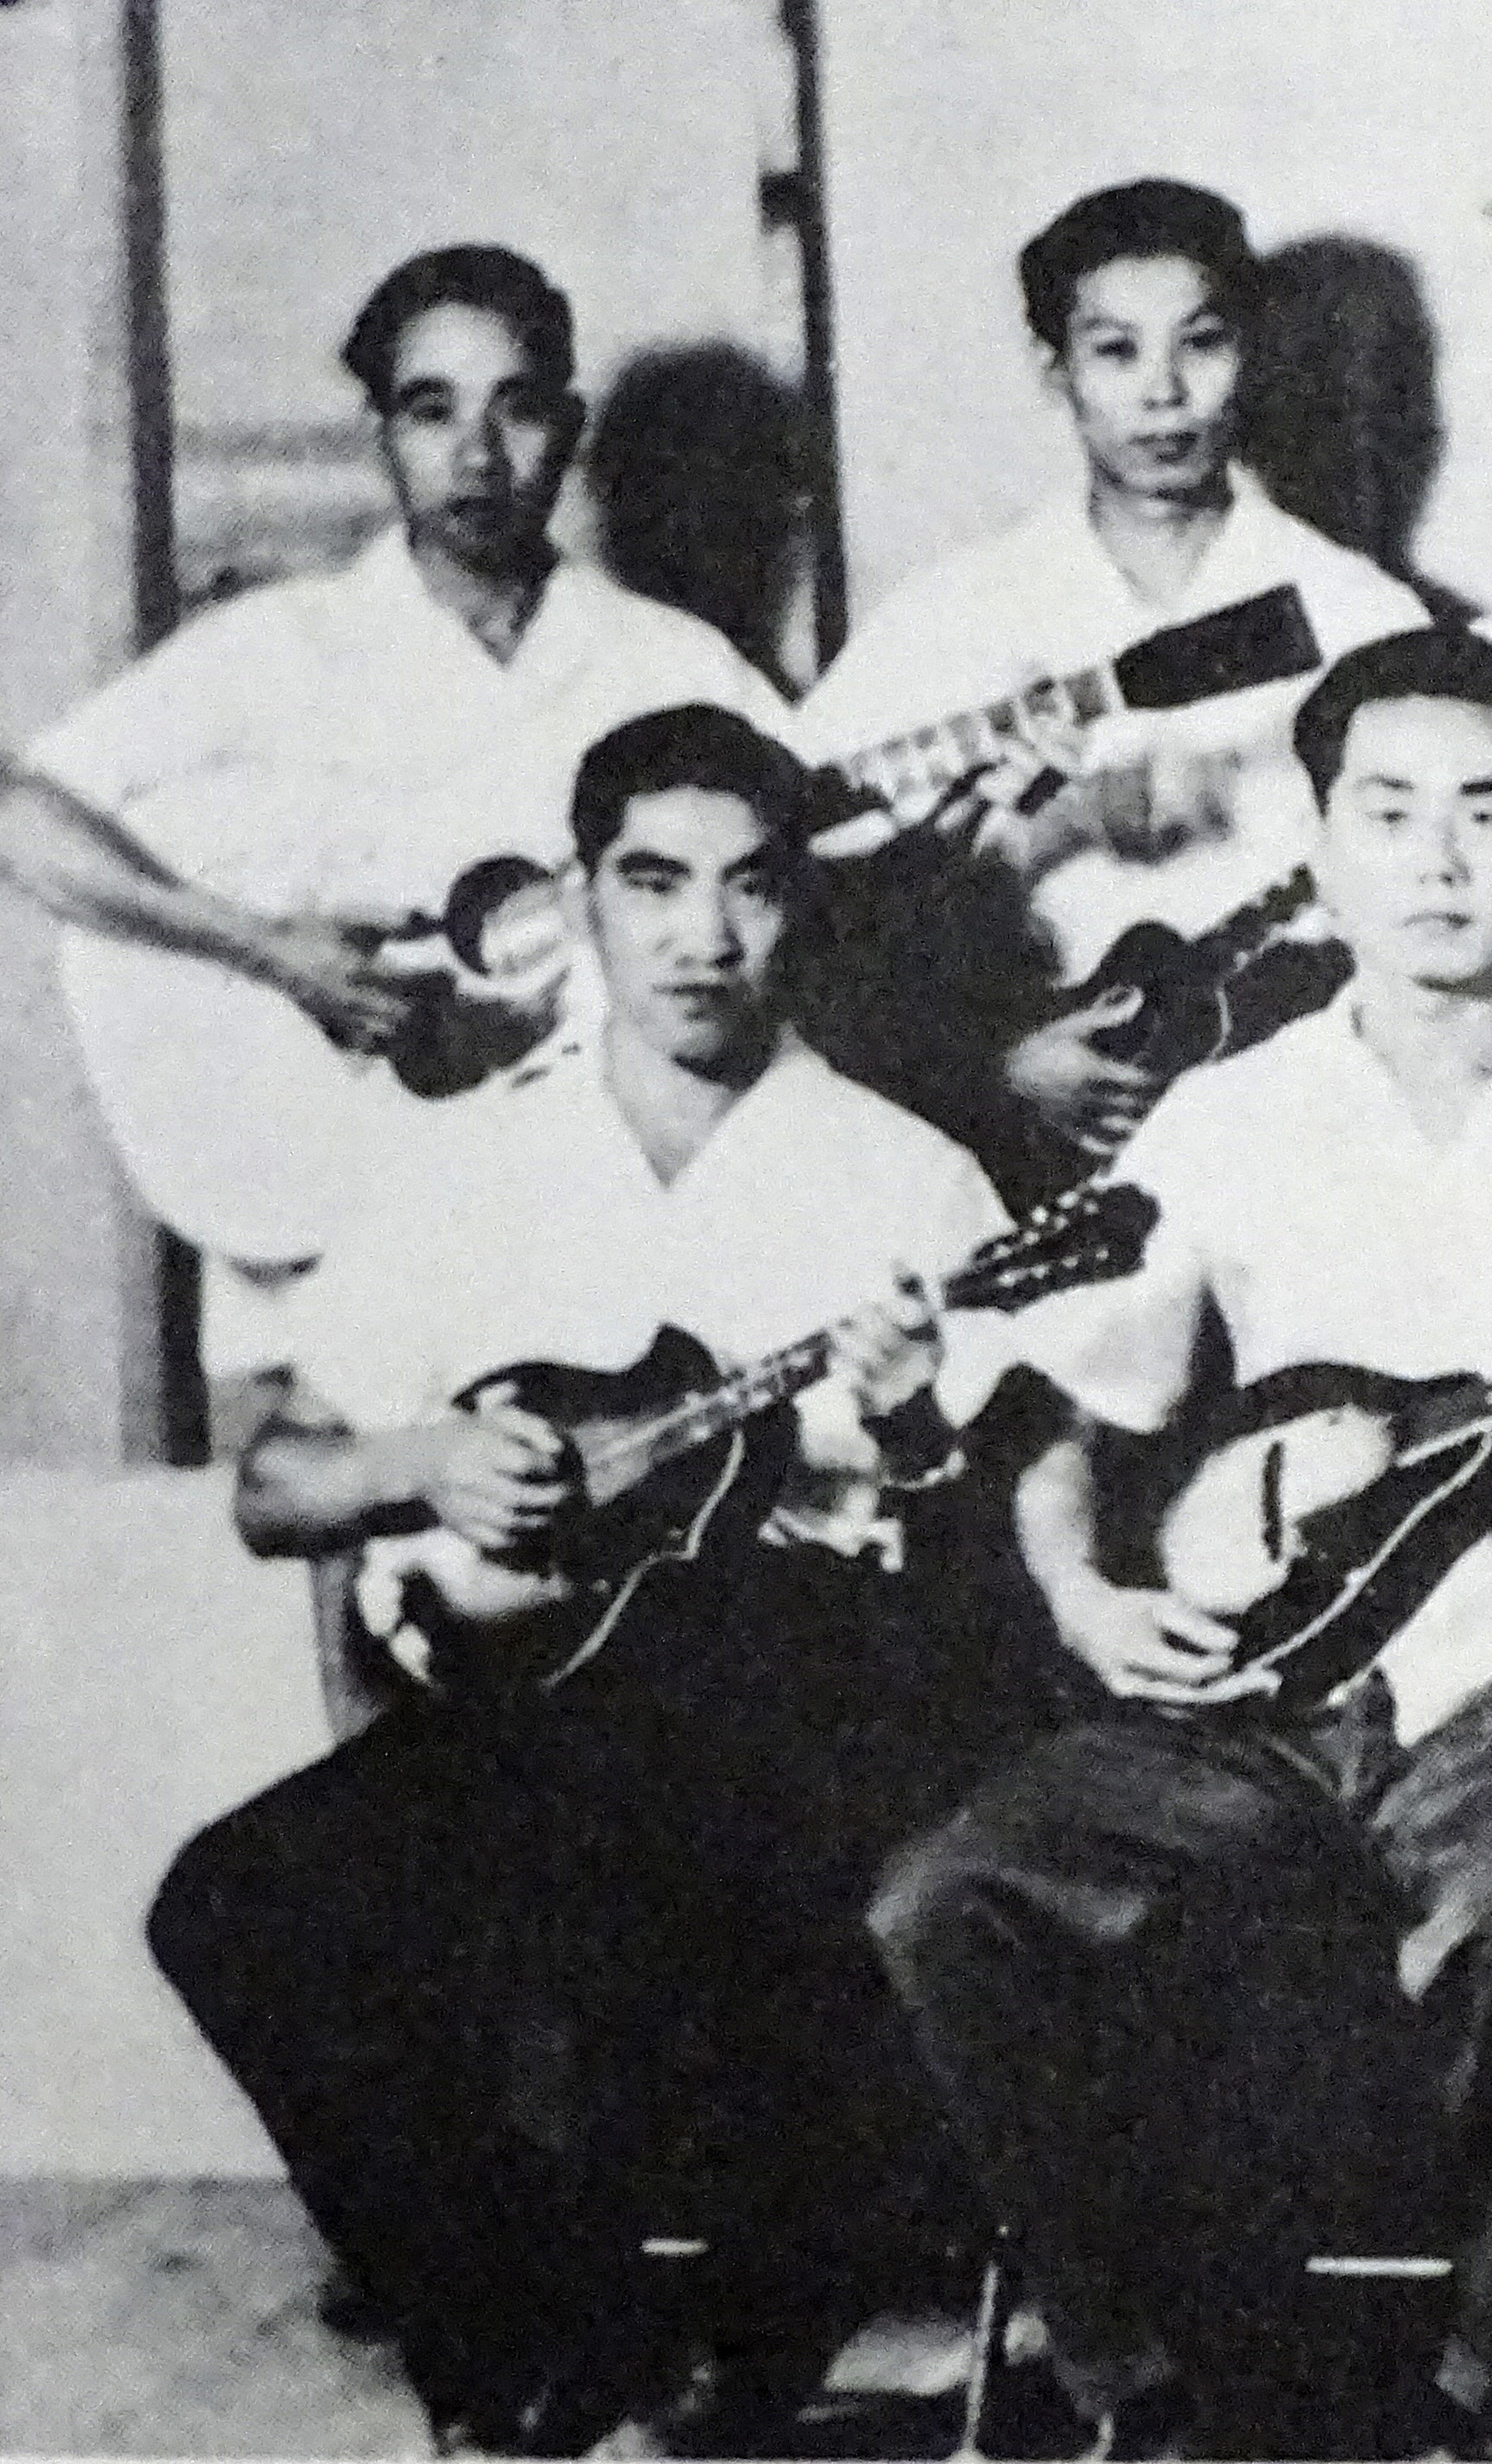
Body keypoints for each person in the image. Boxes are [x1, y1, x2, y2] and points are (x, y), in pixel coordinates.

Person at [865, 628, 1492, 2458]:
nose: (1437, 860)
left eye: (1483, 812)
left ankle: (1477, 2397)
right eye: (1390, 812)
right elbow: (1064, 1401)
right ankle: (1143, 2392)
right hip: (1260, 1681)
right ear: (1325, 845)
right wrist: (1082, 1593)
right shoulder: (1230, 1116)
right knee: (945, 1898)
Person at [140, 705, 1041, 2455]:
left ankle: (663, 2348)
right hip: (543, 1705)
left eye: (751, 887)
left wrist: (919, 1418)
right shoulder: (477, 1159)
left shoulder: (908, 1175)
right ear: (582, 899)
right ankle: (530, 2355)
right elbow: (274, 1485)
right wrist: (422, 1462)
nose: (704, 934)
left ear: (804, 909)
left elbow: (994, 1548)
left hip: (822, 1699)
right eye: (653, 882)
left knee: (642, 1883)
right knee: (237, 1900)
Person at [0, 246, 786, 1331]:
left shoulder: (676, 665)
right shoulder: (279, 647)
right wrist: (261, 949)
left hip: (605, 1237)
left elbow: (818, 878)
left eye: (515, 409)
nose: (477, 456)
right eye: (431, 411)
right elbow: (18, 811)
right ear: (382, 435)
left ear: (570, 427)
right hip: (337, 1233)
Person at [793, 179, 1428, 1194]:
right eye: (1116, 350)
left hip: (1305, 1143)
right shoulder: (951, 616)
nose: (1163, 393)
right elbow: (799, 913)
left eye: (1201, 344)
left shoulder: (1363, 618)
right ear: (1058, 371)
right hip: (1031, 1149)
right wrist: (984, 1070)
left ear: (1249, 353)